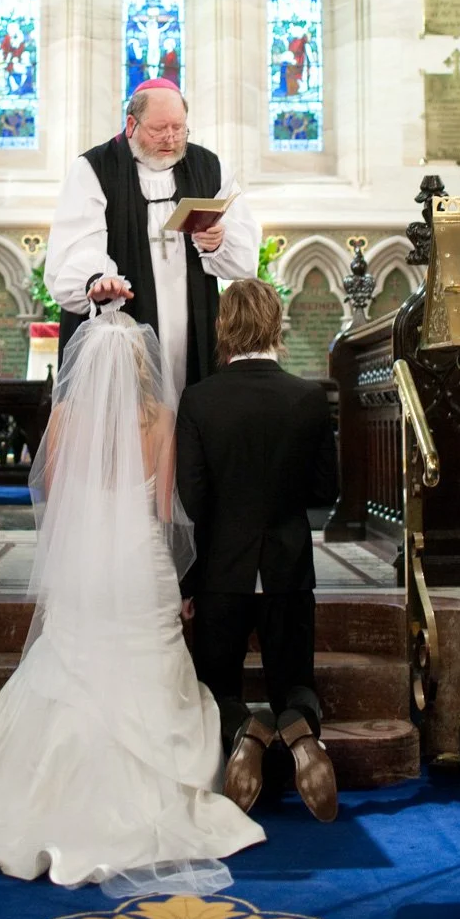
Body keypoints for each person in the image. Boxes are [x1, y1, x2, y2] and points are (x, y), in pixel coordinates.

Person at [0, 310, 265, 892]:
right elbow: (167, 513)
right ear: (143, 368)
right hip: (140, 559)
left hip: (86, 558)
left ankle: (36, 794)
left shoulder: (65, 416)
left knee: (69, 662)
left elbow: (54, 496)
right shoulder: (163, 419)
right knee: (146, 668)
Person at [176, 278, 339, 823]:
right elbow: (325, 491)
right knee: (296, 680)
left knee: (215, 684)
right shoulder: (309, 398)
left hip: (221, 569)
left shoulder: (199, 399)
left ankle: (245, 729)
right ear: (276, 324)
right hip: (289, 566)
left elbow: (193, 499)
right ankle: (297, 728)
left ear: (224, 328)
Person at [44, 80, 259, 411]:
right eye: (159, 129)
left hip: (194, 326)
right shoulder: (94, 169)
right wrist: (97, 279)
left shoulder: (208, 167)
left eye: (179, 128)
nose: (171, 139)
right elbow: (77, 246)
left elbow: (243, 259)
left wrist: (218, 242)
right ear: (131, 124)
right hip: (121, 336)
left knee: (189, 421)